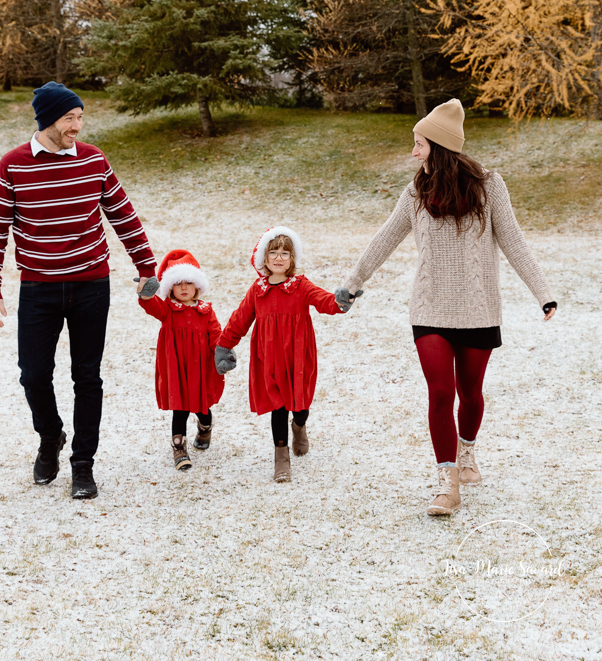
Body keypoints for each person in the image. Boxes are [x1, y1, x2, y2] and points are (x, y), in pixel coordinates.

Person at [335, 99, 556, 516]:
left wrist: (542, 292)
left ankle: (467, 452)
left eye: (418, 144)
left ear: (437, 145)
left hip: (478, 309)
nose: (413, 152)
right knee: (441, 391)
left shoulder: (490, 186)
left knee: (470, 393)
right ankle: (447, 482)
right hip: (429, 308)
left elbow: (513, 241)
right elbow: (385, 237)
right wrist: (352, 283)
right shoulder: (415, 191)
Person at [0, 81, 158, 499]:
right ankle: (50, 438)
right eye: (68, 119)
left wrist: (146, 267)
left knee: (87, 377)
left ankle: (83, 465)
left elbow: (124, 216)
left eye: (80, 117)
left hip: (91, 284)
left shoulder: (94, 160)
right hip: (39, 287)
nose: (77, 126)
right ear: (46, 121)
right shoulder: (14, 165)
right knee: (34, 374)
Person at [215, 227, 348, 483]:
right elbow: (239, 320)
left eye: (285, 253)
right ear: (264, 259)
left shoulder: (300, 286)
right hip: (269, 359)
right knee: (278, 406)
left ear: (292, 259)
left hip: (298, 357)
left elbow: (323, 300)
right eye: (273, 252)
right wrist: (224, 346)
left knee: (299, 406)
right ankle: (281, 459)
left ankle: (299, 426)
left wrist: (339, 301)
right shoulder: (258, 290)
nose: (279, 258)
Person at [137, 249, 224, 472]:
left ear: (197, 286)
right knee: (180, 408)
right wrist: (146, 294)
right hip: (176, 368)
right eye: (178, 284)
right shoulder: (168, 310)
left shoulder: (206, 311)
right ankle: (179, 447)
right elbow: (151, 305)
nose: (183, 288)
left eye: (188, 282)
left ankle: (205, 427)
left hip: (200, 367)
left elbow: (216, 334)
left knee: (202, 406)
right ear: (170, 288)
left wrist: (221, 352)